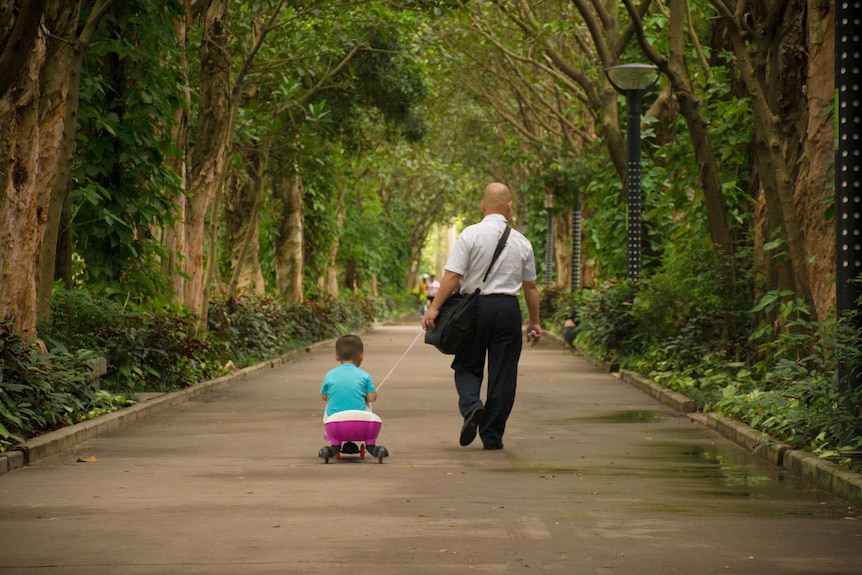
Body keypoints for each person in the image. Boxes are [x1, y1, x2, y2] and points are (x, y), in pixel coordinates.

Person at [422, 182, 542, 450]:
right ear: (510, 207)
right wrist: (534, 321)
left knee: (466, 365)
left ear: (482, 205)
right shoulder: (522, 241)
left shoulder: (470, 234)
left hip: (473, 310)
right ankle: (492, 436)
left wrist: (434, 308)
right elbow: (531, 287)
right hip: (508, 310)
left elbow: (453, 276)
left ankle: (472, 406)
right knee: (504, 374)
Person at [319, 334, 382, 458]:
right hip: (361, 424)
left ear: (337, 356)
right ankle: (370, 445)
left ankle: (334, 444)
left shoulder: (330, 375)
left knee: (329, 403)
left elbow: (324, 396)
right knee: (367, 404)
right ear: (361, 355)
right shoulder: (364, 376)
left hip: (335, 425)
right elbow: (372, 398)